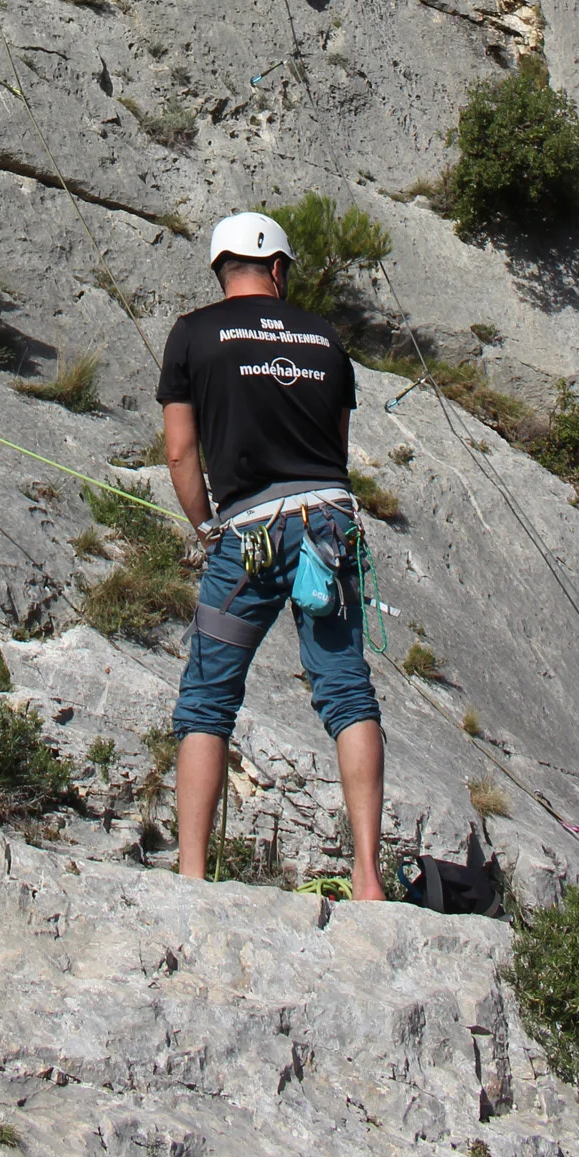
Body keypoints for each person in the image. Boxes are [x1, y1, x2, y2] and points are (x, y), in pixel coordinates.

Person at [157, 211, 385, 898]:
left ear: (220, 267)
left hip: (247, 534)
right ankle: (368, 878)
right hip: (327, 525)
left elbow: (178, 451)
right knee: (345, 688)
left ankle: (193, 876)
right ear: (279, 269)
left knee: (206, 700)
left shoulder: (194, 333)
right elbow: (336, 447)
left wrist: (205, 527)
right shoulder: (324, 336)